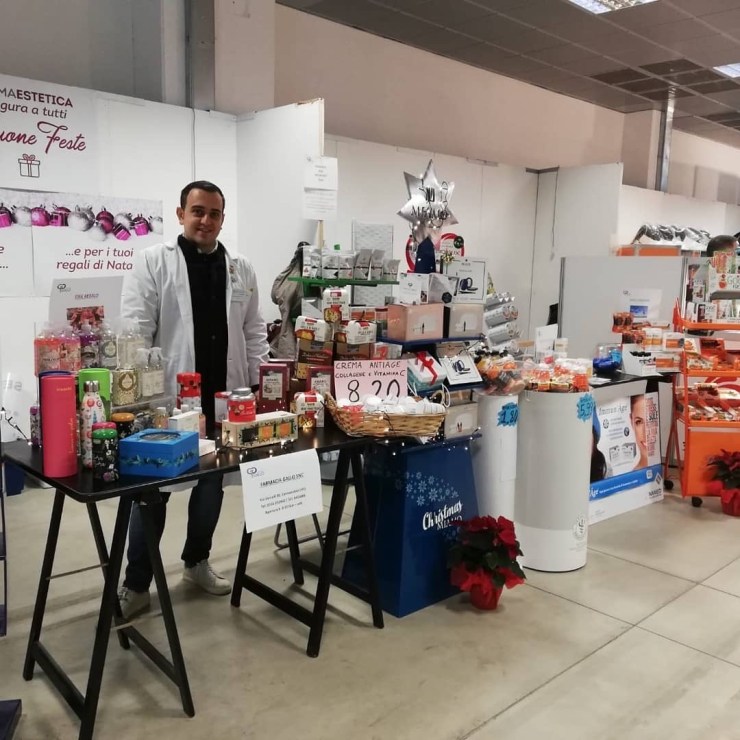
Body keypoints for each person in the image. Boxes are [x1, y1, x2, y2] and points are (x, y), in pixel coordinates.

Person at [117, 180, 269, 619]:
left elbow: (253, 331)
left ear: (222, 219)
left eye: (214, 213)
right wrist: (138, 401)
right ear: (181, 213)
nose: (205, 220)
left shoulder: (240, 267)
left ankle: (196, 562)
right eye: (197, 211)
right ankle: (136, 583)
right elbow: (135, 332)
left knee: (211, 483)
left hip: (223, 398)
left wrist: (260, 383)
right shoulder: (153, 262)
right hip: (168, 401)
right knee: (154, 490)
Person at [631, 395, 649, 471]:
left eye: (651, 420)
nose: (645, 433)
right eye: (639, 422)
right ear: (631, 421)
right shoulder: (631, 475)